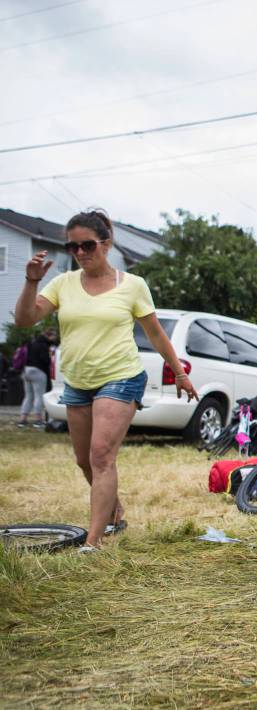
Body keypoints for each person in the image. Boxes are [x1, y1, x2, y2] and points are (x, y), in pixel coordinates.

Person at [14, 209, 198, 550]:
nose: (81, 253)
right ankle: (114, 509)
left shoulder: (132, 286)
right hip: (78, 380)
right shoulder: (62, 284)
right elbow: (25, 320)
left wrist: (181, 374)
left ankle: (95, 540)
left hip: (121, 376)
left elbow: (156, 334)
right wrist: (31, 281)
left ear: (106, 244)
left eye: (88, 245)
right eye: (72, 247)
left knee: (101, 456)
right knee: (84, 460)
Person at [17, 329, 55, 427]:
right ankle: (38, 420)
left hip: (26, 371)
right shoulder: (44, 345)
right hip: (38, 371)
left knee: (28, 396)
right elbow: (45, 360)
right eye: (54, 336)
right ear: (49, 336)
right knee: (39, 395)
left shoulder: (32, 343)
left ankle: (23, 419)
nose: (55, 338)